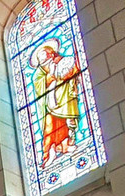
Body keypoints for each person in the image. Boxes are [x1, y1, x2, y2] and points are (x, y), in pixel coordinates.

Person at [30, 39, 82, 167]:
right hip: (50, 101)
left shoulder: (62, 61)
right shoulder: (39, 73)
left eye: (43, 54)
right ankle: (50, 151)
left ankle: (66, 144)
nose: (41, 58)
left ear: (51, 53)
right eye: (39, 57)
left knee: (65, 122)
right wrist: (49, 78)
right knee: (50, 126)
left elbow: (72, 70)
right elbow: (38, 84)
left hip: (64, 97)